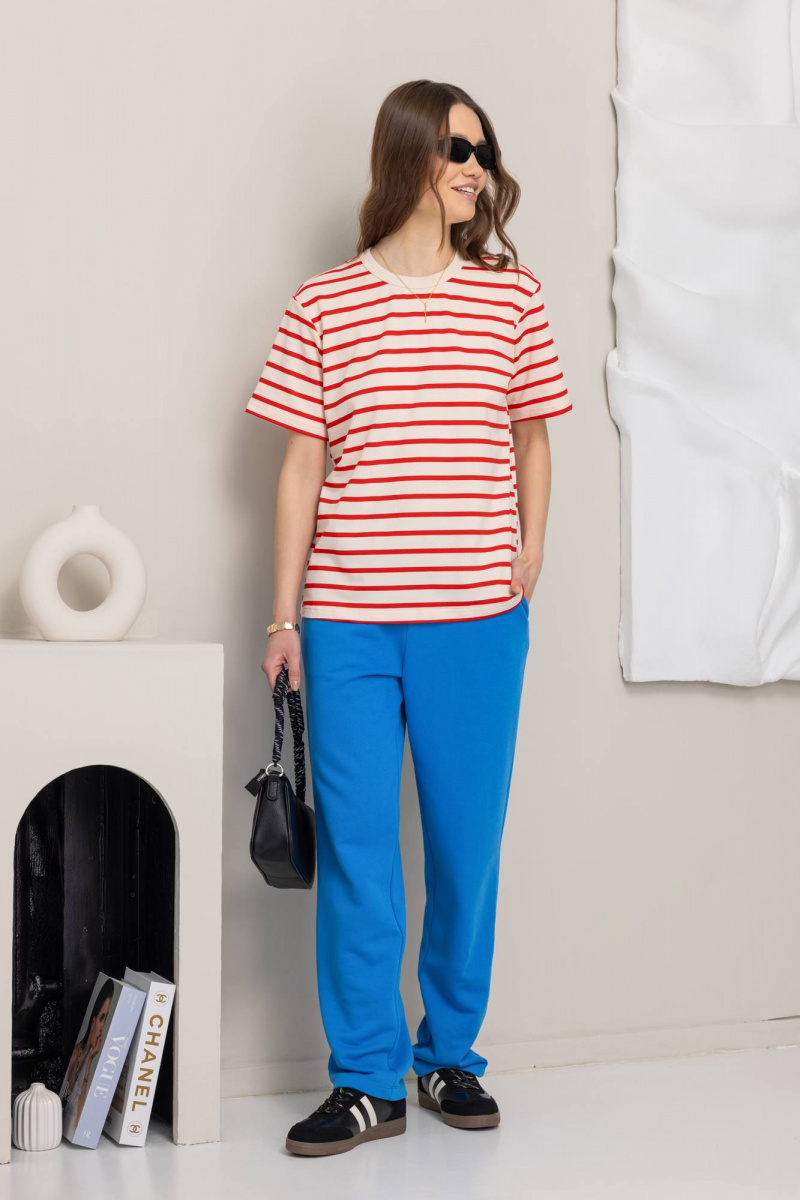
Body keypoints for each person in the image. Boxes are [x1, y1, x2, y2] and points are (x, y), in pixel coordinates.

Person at [246, 78, 571, 1157]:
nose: (478, 169)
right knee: (357, 859)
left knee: (465, 852)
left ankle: (448, 1056)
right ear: (410, 156)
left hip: (475, 620)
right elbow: (301, 468)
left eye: (485, 152)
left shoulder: (510, 299)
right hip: (347, 622)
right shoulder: (324, 303)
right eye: (459, 150)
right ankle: (366, 1080)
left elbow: (532, 437)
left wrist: (528, 552)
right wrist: (281, 620)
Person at [60, 978, 114, 1140]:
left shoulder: (96, 1058)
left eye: (106, 1018)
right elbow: (78, 1119)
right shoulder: (77, 1051)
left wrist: (90, 1061)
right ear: (92, 1022)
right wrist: (88, 1061)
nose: (103, 1026)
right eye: (102, 1017)